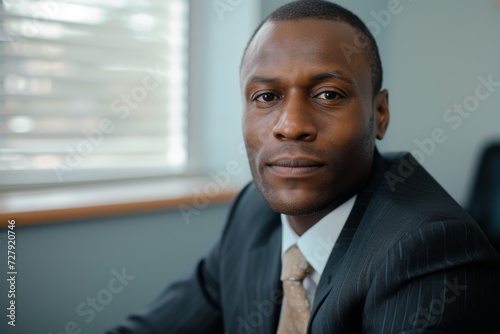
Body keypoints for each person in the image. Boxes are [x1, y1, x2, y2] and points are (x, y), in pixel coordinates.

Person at [107, 1, 500, 333]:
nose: (291, 125)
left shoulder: (430, 251)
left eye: (328, 94)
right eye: (266, 96)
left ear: (379, 114)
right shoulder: (253, 209)